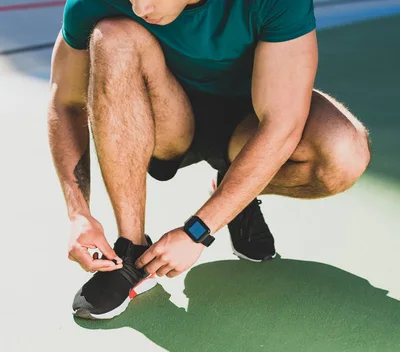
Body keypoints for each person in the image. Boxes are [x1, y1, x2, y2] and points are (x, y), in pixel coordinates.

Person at [48, 0, 371, 320]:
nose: (140, 8)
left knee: (343, 156)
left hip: (250, 121)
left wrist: (197, 232)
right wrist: (79, 213)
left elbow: (281, 125)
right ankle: (131, 250)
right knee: (113, 34)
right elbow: (66, 102)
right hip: (162, 119)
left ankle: (232, 192)